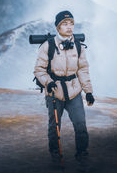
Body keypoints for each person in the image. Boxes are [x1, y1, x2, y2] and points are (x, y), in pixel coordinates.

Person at [34, 10, 95, 161]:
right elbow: (39, 70)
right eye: (65, 24)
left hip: (74, 91)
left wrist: (88, 92)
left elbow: (83, 69)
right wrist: (48, 82)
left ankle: (82, 153)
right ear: (57, 27)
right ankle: (55, 152)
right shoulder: (48, 46)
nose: (69, 27)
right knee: (54, 126)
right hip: (55, 90)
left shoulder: (78, 46)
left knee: (80, 124)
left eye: (71, 24)